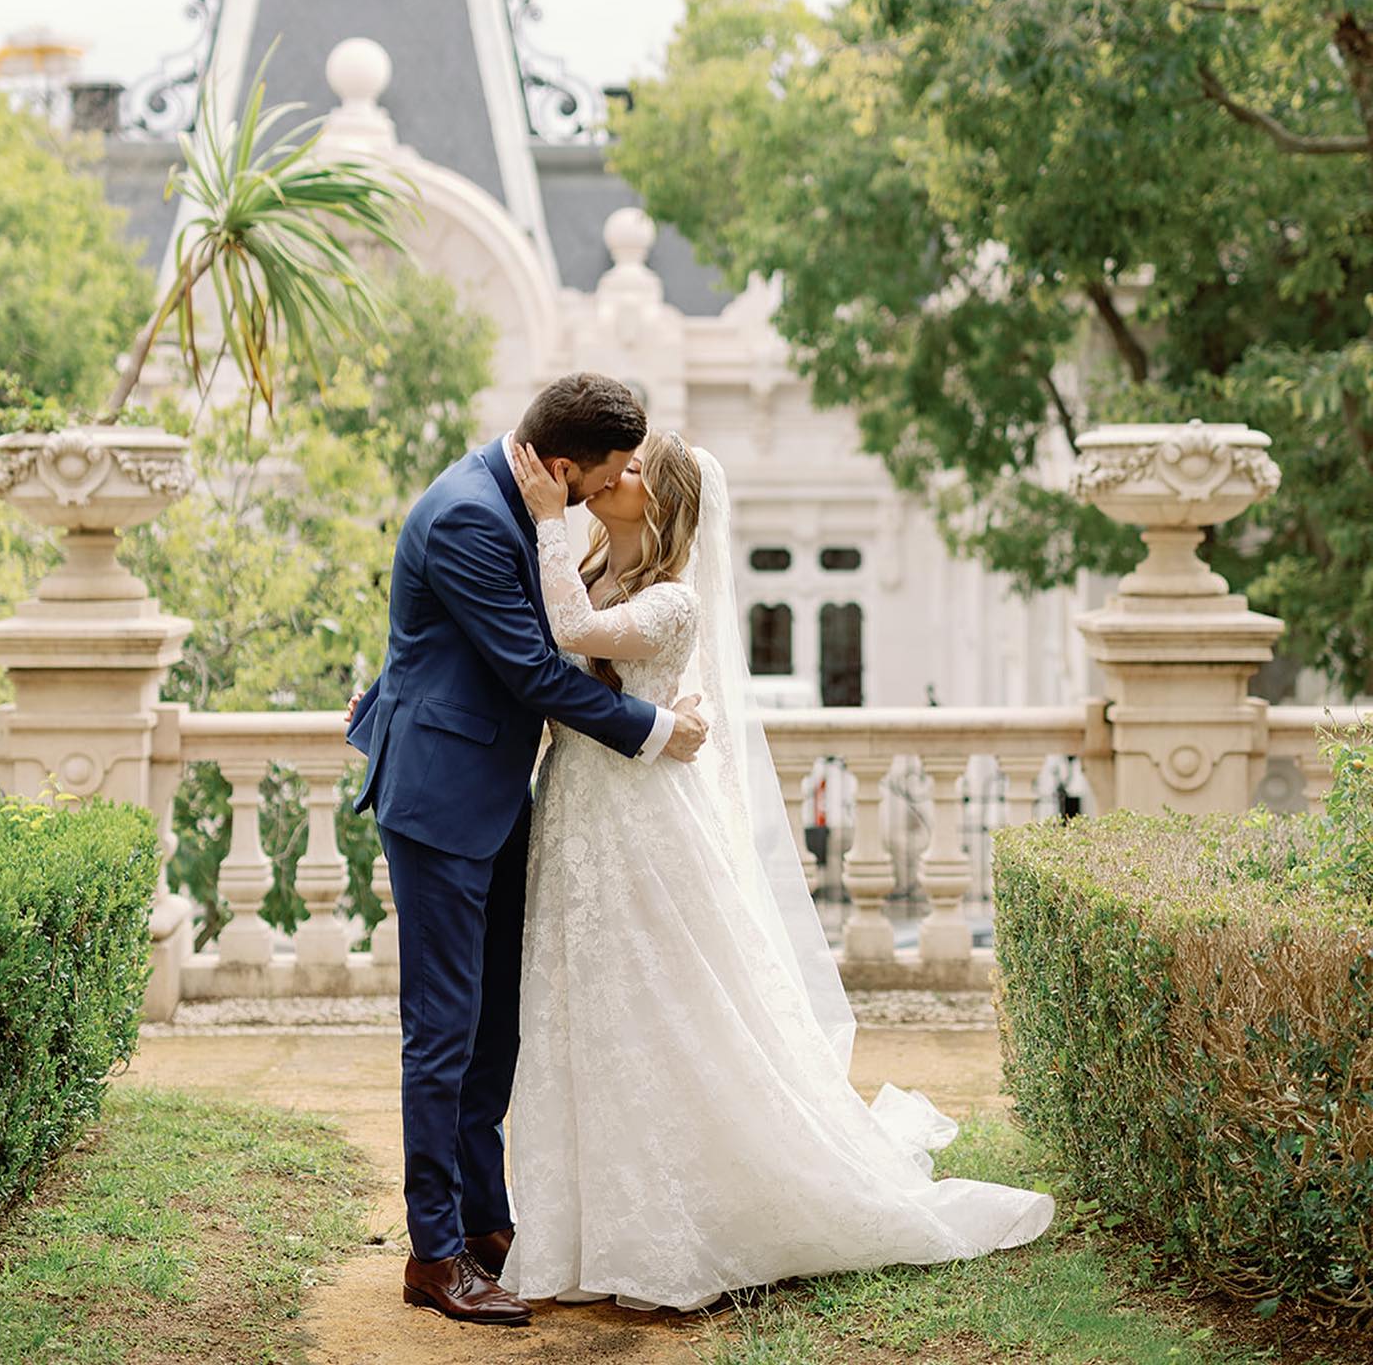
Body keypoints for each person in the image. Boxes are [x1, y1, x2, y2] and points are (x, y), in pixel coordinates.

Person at [500, 432, 1054, 1311]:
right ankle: (583, 1225)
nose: (614, 475)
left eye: (635, 470)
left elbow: (570, 631)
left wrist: (544, 522)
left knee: (660, 1008)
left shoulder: (672, 600)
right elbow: (537, 655)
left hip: (641, 825)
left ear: (667, 504)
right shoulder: (599, 568)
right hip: (576, 812)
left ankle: (684, 1215)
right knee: (583, 1007)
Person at [343, 374, 708, 1327]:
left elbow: (442, 643)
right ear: (559, 465)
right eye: (605, 476)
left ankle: (485, 1220)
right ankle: (435, 1255)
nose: (610, 490)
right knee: (444, 1030)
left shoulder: (512, 497)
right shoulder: (469, 514)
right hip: (444, 805)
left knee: (494, 1026)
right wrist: (655, 728)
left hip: (501, 795)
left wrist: (384, 696)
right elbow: (534, 669)